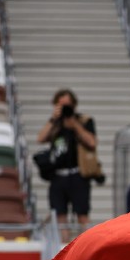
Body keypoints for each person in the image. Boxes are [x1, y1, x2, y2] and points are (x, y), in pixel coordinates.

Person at [35, 88, 97, 241]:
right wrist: (53, 119)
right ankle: (64, 249)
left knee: (82, 215)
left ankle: (86, 248)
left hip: (78, 174)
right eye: (61, 105)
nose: (65, 109)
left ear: (74, 105)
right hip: (58, 176)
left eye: (68, 105)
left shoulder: (83, 121)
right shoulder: (55, 125)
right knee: (60, 217)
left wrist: (74, 125)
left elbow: (92, 142)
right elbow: (41, 138)